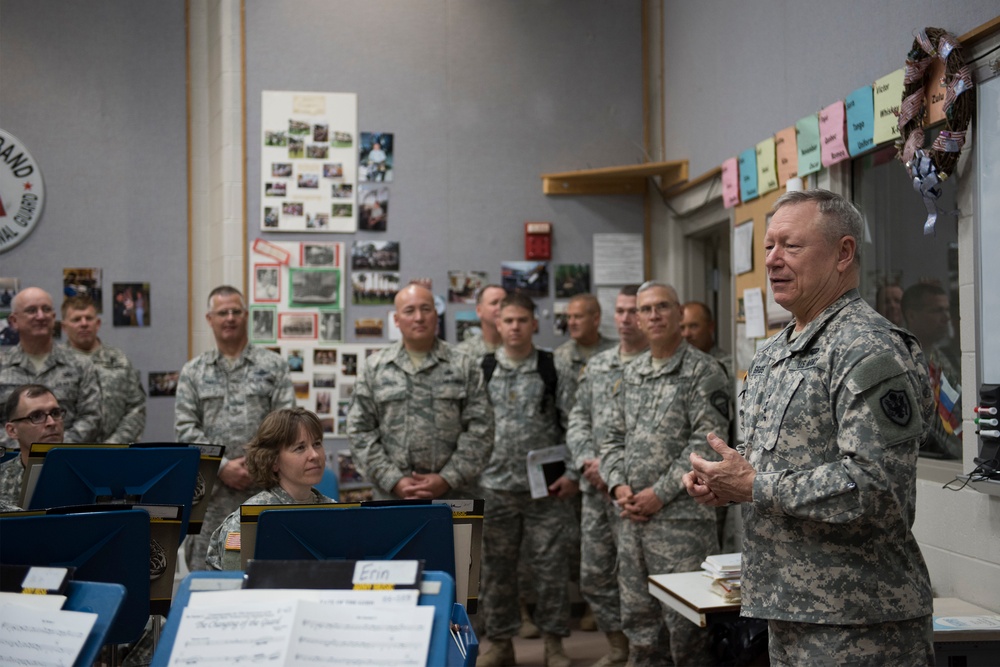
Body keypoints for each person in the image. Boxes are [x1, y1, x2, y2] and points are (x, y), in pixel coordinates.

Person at [684, 189, 935, 667]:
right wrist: (726, 482)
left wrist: (755, 485)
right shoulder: (778, 349)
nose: (774, 260)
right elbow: (779, 457)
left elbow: (878, 488)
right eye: (768, 247)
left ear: (844, 253)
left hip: (860, 624)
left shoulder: (867, 348)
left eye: (791, 247)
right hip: (790, 611)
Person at [599, 281, 729, 666]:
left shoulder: (704, 371)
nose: (654, 315)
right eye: (646, 309)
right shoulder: (630, 373)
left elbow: (707, 443)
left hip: (681, 524)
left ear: (678, 314)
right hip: (631, 521)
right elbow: (610, 438)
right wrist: (618, 486)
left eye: (663, 307)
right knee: (639, 629)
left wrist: (659, 492)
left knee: (687, 633)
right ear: (637, 319)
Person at [477, 293, 578, 667]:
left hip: (546, 490)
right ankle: (501, 643)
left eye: (522, 320)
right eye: (508, 320)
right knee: (496, 570)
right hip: (494, 485)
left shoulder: (553, 368)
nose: (515, 327)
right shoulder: (483, 368)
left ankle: (554, 644)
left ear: (534, 324)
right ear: (497, 324)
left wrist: (572, 474)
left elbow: (575, 423)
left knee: (551, 568)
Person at [175, 285, 295, 570]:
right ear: (209, 319)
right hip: (212, 498)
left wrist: (255, 464)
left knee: (268, 573)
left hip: (267, 492)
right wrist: (223, 466)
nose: (229, 318)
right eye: (222, 312)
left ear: (246, 316)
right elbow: (185, 429)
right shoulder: (193, 372)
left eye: (235, 311)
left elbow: (287, 426)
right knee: (208, 578)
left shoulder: (274, 366)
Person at [347, 284, 494, 500]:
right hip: (393, 498)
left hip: (456, 495)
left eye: (426, 309)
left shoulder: (464, 365)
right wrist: (393, 479)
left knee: (455, 537)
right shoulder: (375, 367)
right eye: (409, 311)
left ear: (436, 315)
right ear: (396, 320)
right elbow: (359, 430)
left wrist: (447, 478)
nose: (419, 317)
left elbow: (482, 429)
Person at [565, 284, 647, 667]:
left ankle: (646, 650)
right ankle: (618, 646)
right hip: (595, 490)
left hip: (636, 491)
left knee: (637, 579)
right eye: (620, 311)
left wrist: (613, 468)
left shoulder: (655, 363)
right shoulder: (597, 365)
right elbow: (578, 417)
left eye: (634, 311)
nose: (626, 319)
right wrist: (586, 461)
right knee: (595, 576)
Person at [206, 407, 334, 570]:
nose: (314, 455)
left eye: (317, 444)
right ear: (273, 461)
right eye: (300, 448)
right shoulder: (249, 520)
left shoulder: (332, 511)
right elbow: (235, 587)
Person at [0, 287, 101, 451]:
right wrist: (23, 447)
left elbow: (91, 417)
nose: (40, 316)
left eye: (46, 310)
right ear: (13, 321)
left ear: (54, 318)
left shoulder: (80, 364)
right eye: (32, 310)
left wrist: (53, 447)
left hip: (66, 460)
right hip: (9, 464)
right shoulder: (2, 366)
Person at [61, 295, 146, 443]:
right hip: (69, 453)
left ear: (98, 323)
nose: (84, 324)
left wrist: (113, 446)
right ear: (64, 327)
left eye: (88, 318)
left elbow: (136, 407)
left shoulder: (119, 360)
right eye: (76, 319)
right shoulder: (57, 363)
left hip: (118, 454)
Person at [902, 282, 962, 459]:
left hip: (956, 454)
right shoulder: (899, 359)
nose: (946, 318)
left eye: (946, 310)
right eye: (936, 311)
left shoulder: (944, 359)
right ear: (912, 315)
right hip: (926, 458)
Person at [1, 384, 66, 508]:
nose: (51, 422)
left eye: (55, 413)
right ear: (12, 430)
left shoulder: (90, 475)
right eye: (36, 416)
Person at [554, 293, 617, 411]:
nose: (571, 323)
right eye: (569, 317)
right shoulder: (559, 356)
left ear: (595, 319)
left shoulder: (614, 354)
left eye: (578, 317)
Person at [680, 301, 733, 380]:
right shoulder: (676, 365)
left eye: (693, 326)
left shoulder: (726, 365)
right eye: (682, 328)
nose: (686, 334)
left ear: (710, 327)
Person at [455, 284, 506, 361]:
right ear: (479, 310)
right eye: (494, 303)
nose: (500, 307)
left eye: (504, 303)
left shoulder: (519, 348)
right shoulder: (463, 353)